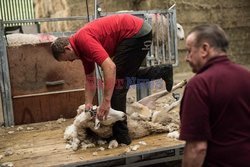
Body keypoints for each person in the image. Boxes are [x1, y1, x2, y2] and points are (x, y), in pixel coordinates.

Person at [51, 14, 173, 145]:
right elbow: (91, 79)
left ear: (67, 48)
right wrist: (88, 104)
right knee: (124, 77)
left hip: (136, 33)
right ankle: (162, 71)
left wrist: (106, 101)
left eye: (68, 58)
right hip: (137, 32)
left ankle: (121, 136)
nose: (70, 61)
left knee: (117, 85)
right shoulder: (82, 51)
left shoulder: (83, 40)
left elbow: (110, 67)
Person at [179, 24, 250, 166]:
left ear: (205, 49)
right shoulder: (246, 76)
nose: (187, 58)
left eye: (189, 51)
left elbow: (196, 148)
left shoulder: (199, 85)